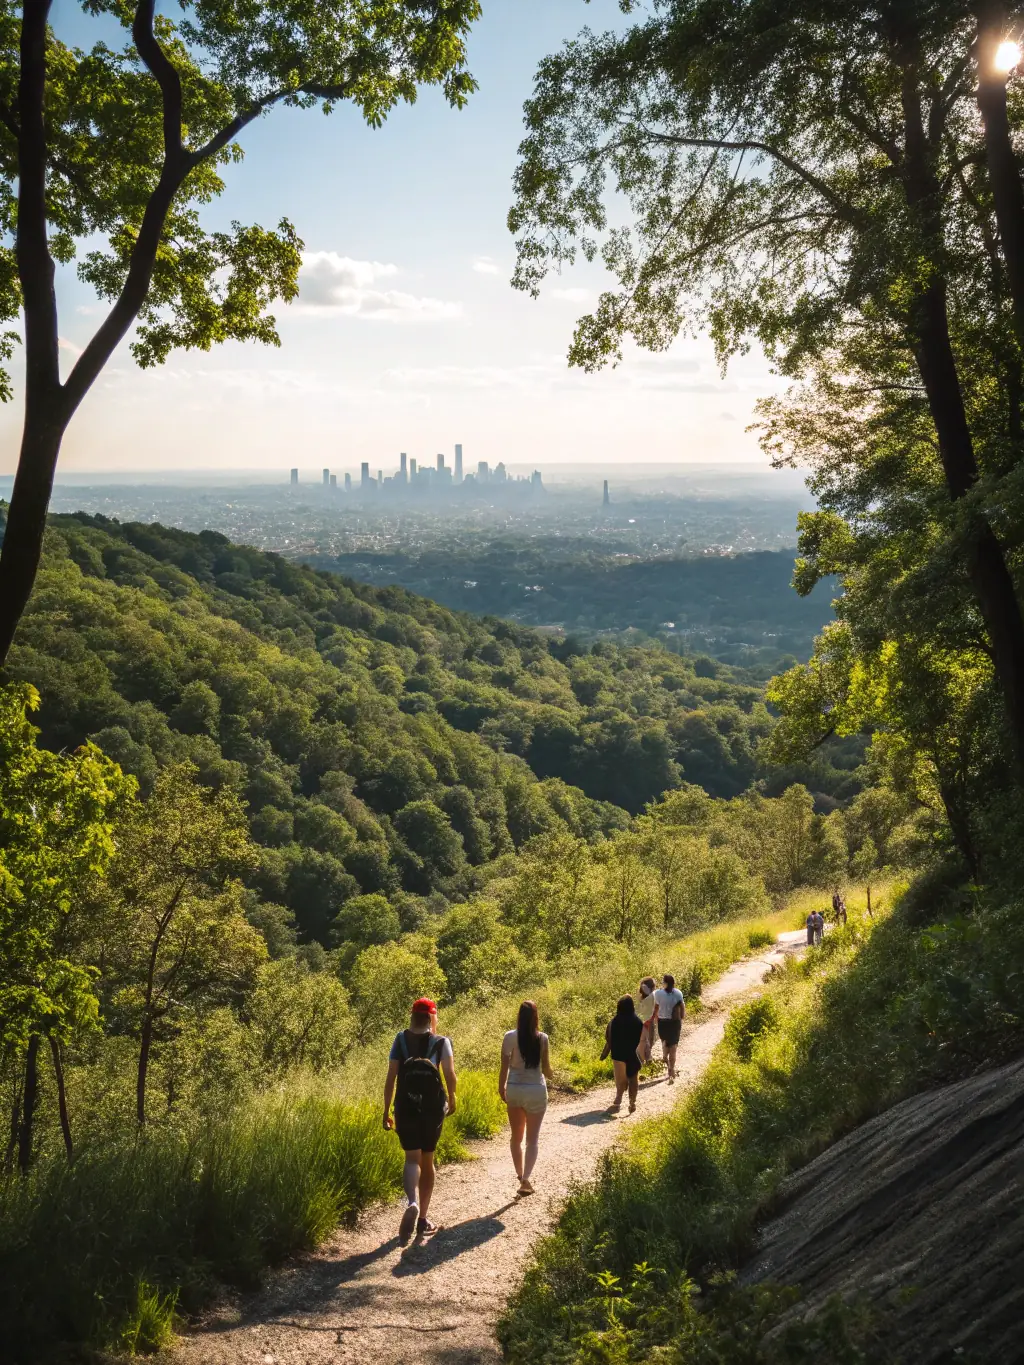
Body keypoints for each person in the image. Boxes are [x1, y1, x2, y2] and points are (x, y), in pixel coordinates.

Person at [383, 997, 457, 1246]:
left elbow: (391, 1077)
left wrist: (386, 1110)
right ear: (432, 1017)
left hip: (405, 1107)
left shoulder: (400, 1039)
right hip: (431, 1109)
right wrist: (453, 1099)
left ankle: (411, 1202)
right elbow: (450, 1075)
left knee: (411, 1159)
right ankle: (423, 1219)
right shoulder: (441, 1042)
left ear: (412, 1016)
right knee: (428, 1159)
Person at [499, 1000, 553, 1195]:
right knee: (533, 1140)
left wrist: (501, 1087)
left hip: (514, 1088)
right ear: (536, 1018)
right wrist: (553, 1074)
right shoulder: (543, 1039)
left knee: (516, 1137)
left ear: (519, 1017)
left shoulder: (509, 1037)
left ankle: (520, 1175)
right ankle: (527, 1179)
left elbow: (504, 1066)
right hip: (536, 1090)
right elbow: (546, 1070)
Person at [600, 994, 644, 1113]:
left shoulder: (613, 1022)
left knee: (620, 1078)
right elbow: (643, 1039)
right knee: (633, 1078)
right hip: (633, 1054)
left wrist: (605, 1053)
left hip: (618, 1053)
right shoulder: (638, 1021)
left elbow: (608, 1037)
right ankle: (632, 1102)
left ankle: (618, 1099)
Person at [653, 973, 685, 1082]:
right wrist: (682, 1017)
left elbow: (656, 1007)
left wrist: (655, 1018)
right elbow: (682, 1006)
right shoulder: (678, 993)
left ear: (665, 983)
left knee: (665, 1042)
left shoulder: (658, 994)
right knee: (674, 1047)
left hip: (662, 1022)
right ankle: (671, 1069)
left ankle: (665, 1057)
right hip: (675, 1023)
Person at [636, 977, 658, 1064]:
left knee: (643, 1041)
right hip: (649, 1022)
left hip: (641, 1022)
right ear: (652, 987)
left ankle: (645, 1058)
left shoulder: (640, 998)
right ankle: (646, 1059)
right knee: (649, 1041)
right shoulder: (653, 996)